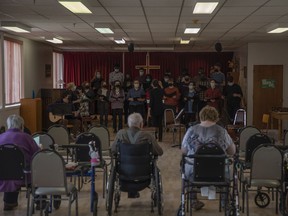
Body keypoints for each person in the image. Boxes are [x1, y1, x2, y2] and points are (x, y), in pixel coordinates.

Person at [181, 106, 236, 210]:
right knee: (227, 168)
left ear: (201, 116)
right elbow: (232, 152)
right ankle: (224, 202)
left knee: (187, 165)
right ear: (216, 117)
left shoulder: (191, 130)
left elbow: (184, 151)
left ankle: (193, 200)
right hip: (218, 172)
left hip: (195, 172)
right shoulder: (222, 131)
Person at [0, 114, 39, 211]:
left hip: (3, 175)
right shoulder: (26, 137)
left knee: (10, 169)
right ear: (22, 125)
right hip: (24, 175)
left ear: (8, 125)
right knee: (35, 170)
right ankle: (40, 201)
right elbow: (37, 154)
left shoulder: (1, 137)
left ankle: (9, 202)